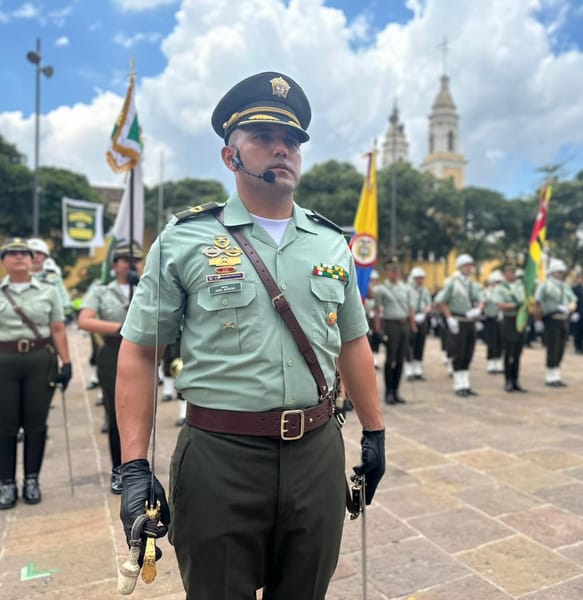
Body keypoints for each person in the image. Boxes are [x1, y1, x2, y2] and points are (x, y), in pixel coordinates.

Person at [114, 71, 385, 599]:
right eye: (263, 137)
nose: (281, 149)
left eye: (291, 140)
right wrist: (133, 468)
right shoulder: (185, 239)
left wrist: (374, 433)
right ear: (230, 156)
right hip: (220, 458)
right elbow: (140, 351)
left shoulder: (332, 244)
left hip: (316, 453)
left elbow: (353, 342)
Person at [0, 238, 71, 509]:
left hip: (39, 360)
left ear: (32, 260)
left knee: (35, 422)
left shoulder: (49, 290)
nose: (19, 257)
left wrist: (67, 362)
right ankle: (6, 482)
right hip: (4, 361)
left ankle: (32, 480)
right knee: (4, 424)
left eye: (24, 254)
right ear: (4, 260)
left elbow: (58, 329)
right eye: (12, 253)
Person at [78, 241, 143, 494]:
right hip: (114, 350)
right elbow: (85, 320)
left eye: (136, 259)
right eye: (126, 260)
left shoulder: (147, 286)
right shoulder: (101, 289)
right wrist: (119, 328)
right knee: (116, 414)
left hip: (141, 352)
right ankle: (119, 468)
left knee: (141, 414)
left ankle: (138, 468)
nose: (131, 264)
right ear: (115, 265)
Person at [435, 253, 483, 396]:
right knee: (459, 353)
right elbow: (442, 301)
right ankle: (458, 385)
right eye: (467, 266)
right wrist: (449, 318)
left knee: (469, 352)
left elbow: (481, 299)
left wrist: (478, 310)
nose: (469, 268)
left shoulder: (473, 285)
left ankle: (465, 384)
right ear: (460, 267)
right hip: (458, 321)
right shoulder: (452, 283)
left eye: (471, 266)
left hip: (470, 320)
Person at [373, 257, 415, 404]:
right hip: (391, 325)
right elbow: (377, 310)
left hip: (404, 325)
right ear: (387, 272)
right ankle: (388, 392)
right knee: (390, 359)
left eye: (397, 270)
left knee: (401, 359)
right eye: (392, 271)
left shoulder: (406, 288)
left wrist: (413, 325)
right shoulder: (382, 289)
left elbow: (410, 309)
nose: (395, 273)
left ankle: (396, 391)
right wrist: (378, 329)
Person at [533, 259, 576, 387]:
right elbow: (537, 303)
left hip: (563, 318)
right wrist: (537, 320)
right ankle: (550, 375)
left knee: (561, 347)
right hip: (551, 319)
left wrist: (570, 308)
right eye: (558, 272)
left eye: (562, 272)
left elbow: (573, 300)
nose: (561, 274)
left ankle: (556, 373)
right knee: (553, 347)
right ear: (552, 272)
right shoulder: (545, 285)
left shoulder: (565, 286)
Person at [496, 263, 527, 392]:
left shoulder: (521, 287)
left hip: (520, 320)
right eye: (510, 272)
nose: (512, 274)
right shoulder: (501, 288)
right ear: (505, 274)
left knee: (518, 352)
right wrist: (515, 305)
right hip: (509, 320)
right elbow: (500, 304)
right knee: (509, 352)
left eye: (514, 272)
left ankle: (516, 380)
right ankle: (508, 380)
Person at [406, 266, 432, 380]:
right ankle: (409, 369)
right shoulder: (407, 289)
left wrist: (426, 311)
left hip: (422, 318)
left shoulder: (425, 290)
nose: (420, 280)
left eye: (421, 278)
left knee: (420, 343)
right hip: (410, 318)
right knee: (409, 344)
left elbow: (428, 303)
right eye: (417, 278)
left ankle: (417, 369)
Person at [481, 270, 503, 375]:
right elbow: (484, 302)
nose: (498, 284)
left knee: (500, 341)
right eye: (496, 282)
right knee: (491, 341)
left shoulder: (502, 292)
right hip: (490, 318)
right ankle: (490, 362)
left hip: (501, 319)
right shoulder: (486, 292)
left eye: (499, 282)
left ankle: (498, 361)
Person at [570, 274, 583, 354]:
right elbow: (572, 301)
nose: (582, 280)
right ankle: (577, 348)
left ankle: (582, 347)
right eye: (581, 279)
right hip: (577, 314)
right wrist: (574, 312)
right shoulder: (574, 289)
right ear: (578, 279)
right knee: (577, 332)